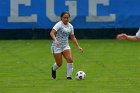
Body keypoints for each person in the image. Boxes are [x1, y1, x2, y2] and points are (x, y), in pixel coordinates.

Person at [50, 11, 83, 80]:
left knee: (70, 59)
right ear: (61, 18)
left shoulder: (70, 26)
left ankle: (69, 77)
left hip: (65, 46)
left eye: (67, 18)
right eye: (64, 17)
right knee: (59, 64)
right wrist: (55, 40)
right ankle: (53, 69)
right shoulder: (59, 24)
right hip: (56, 46)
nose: (66, 19)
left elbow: (73, 37)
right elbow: (52, 33)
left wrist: (78, 46)